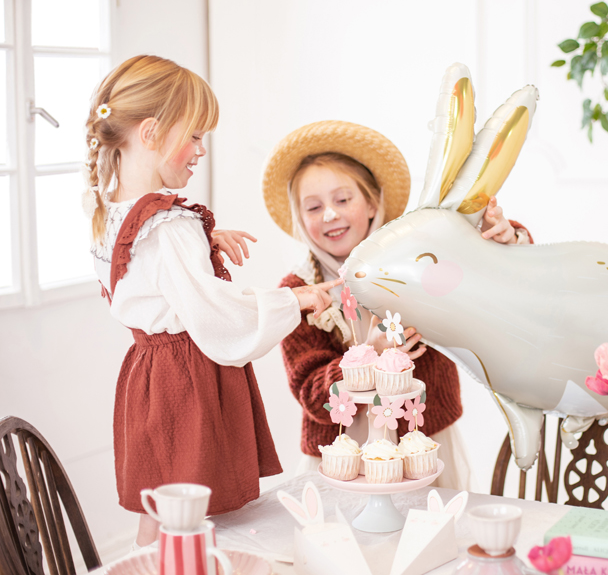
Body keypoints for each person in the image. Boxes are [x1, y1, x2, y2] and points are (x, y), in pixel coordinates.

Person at [85, 56, 339, 547]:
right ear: (153, 132)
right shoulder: (170, 227)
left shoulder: (113, 211)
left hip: (147, 376)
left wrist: (200, 240)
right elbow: (219, 318)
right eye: (196, 136)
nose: (201, 150)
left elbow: (148, 276)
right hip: (185, 381)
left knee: (157, 508)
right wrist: (295, 300)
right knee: (195, 517)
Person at [262, 121, 530, 491]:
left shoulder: (414, 257)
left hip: (421, 443)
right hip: (342, 455)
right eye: (313, 206)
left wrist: (503, 237)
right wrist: (368, 354)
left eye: (343, 200)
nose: (329, 215)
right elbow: (310, 392)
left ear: (372, 203)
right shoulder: (299, 292)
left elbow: (469, 258)